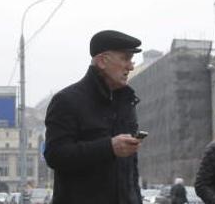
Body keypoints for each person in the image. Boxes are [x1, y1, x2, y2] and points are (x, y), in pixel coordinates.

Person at [44, 30, 144, 204]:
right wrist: (108, 147)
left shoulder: (126, 103)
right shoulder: (67, 101)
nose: (131, 66)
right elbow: (55, 155)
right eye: (125, 58)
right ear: (102, 61)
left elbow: (130, 169)